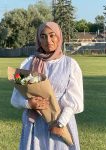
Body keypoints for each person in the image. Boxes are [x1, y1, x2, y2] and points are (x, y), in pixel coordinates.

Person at [11, 21, 84, 150]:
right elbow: (15, 99)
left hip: (60, 124)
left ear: (59, 37)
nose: (48, 40)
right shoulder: (28, 63)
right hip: (34, 124)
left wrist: (60, 124)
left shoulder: (70, 65)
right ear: (38, 39)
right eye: (43, 36)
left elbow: (75, 101)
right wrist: (29, 104)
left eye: (52, 35)